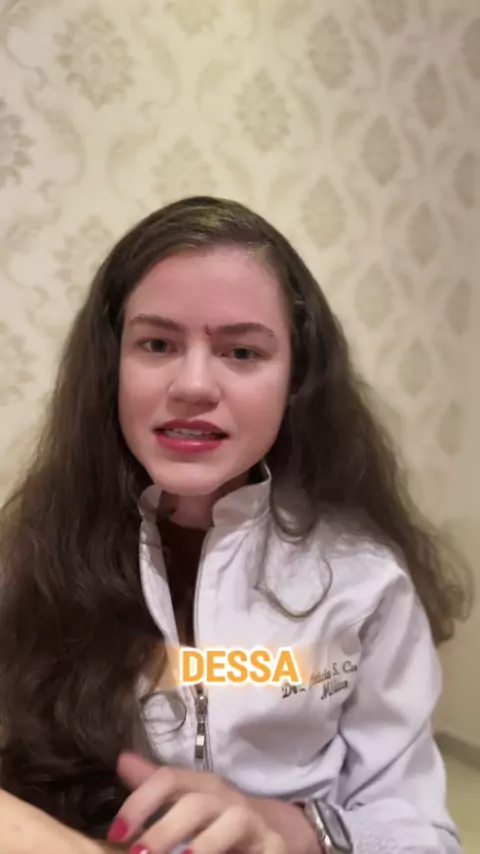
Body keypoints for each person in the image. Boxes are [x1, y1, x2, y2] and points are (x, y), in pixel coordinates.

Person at [0, 195, 470, 854]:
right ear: (112, 368)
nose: (194, 385)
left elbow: (422, 834)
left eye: (242, 352)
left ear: (296, 378)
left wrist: (294, 827)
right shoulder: (33, 556)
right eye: (157, 344)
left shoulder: (365, 581)